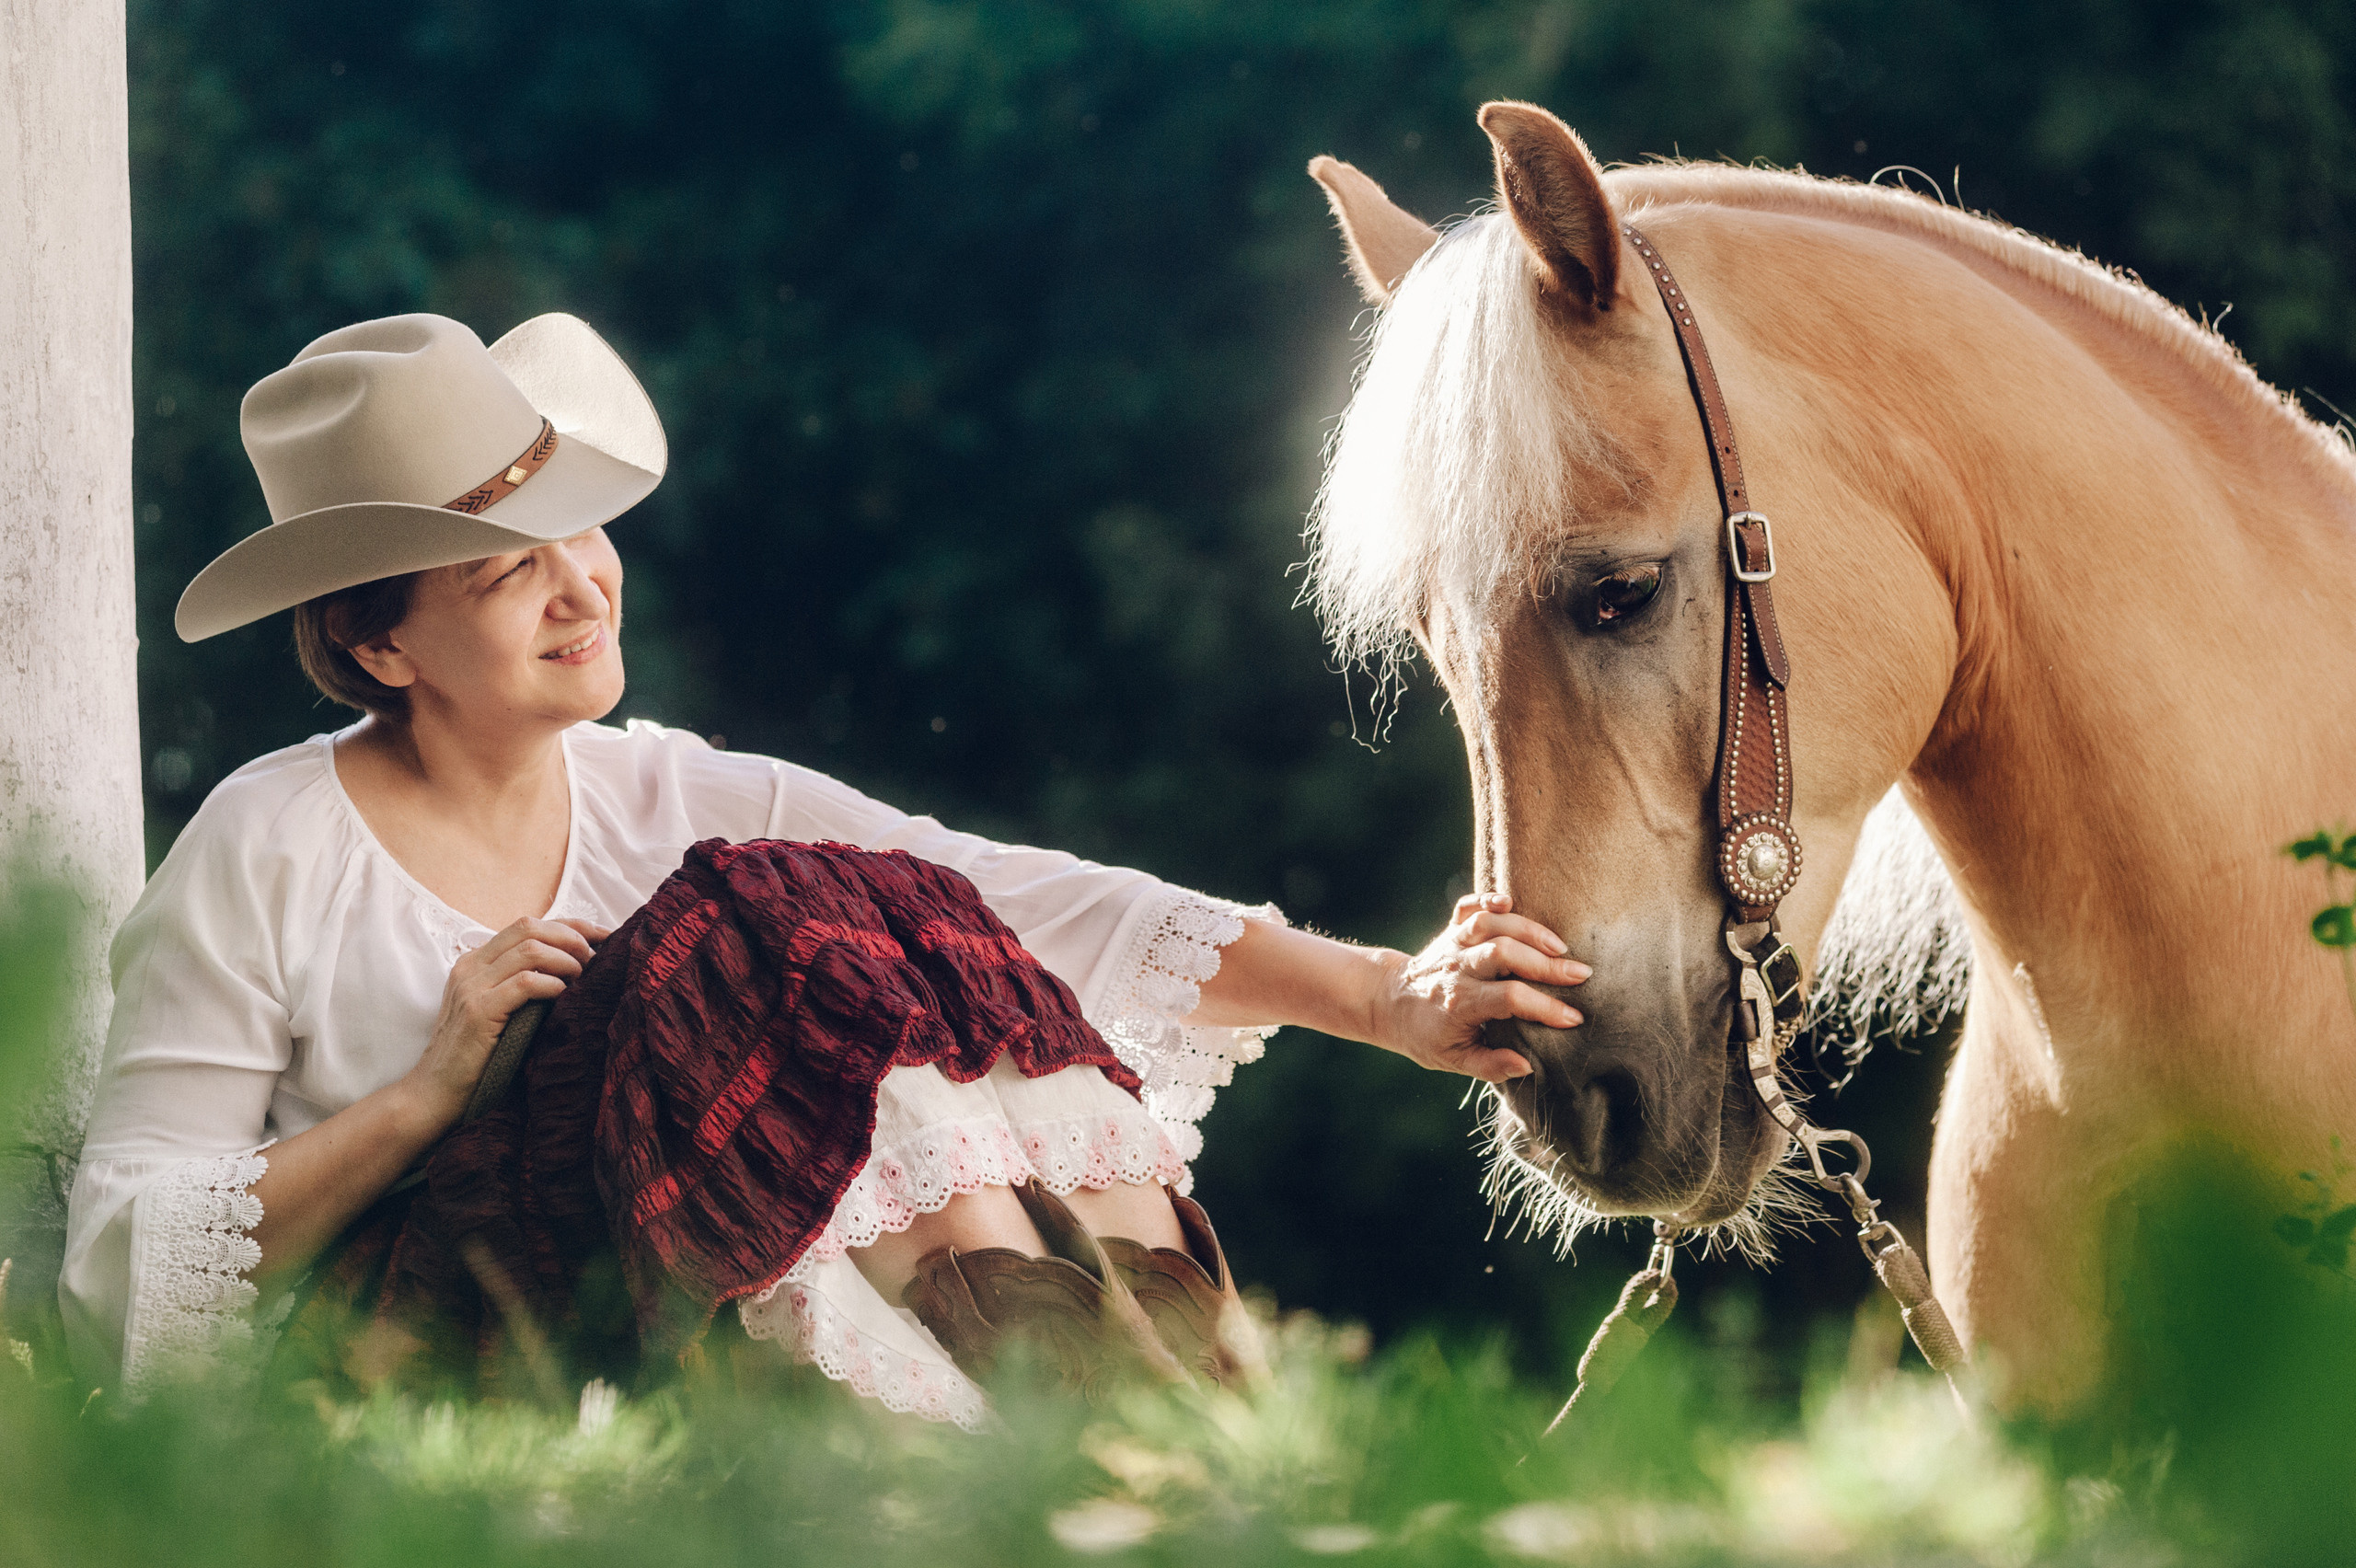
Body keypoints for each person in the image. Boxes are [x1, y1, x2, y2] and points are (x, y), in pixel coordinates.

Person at [61, 313, 1588, 1426]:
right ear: (383, 641)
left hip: (667, 1305)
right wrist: (425, 1095)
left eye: (579, 533)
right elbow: (124, 1267)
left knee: (872, 901)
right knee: (748, 913)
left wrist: (1387, 998)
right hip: (428, 1340)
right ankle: (1090, 1409)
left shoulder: (674, 785)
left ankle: (1135, 1396)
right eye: (504, 567)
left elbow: (1013, 900)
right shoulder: (262, 846)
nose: (579, 585)